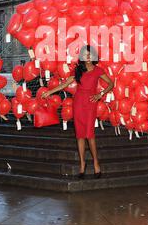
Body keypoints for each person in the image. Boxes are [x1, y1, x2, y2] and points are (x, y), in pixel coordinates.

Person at [41, 45, 114, 179]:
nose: (87, 56)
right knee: (80, 135)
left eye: (89, 54)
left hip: (91, 103)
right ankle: (82, 164)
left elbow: (111, 84)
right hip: (79, 103)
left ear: (93, 56)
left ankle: (96, 163)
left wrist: (100, 94)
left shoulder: (98, 70)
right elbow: (65, 84)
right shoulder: (78, 70)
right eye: (85, 54)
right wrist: (49, 92)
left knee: (90, 135)